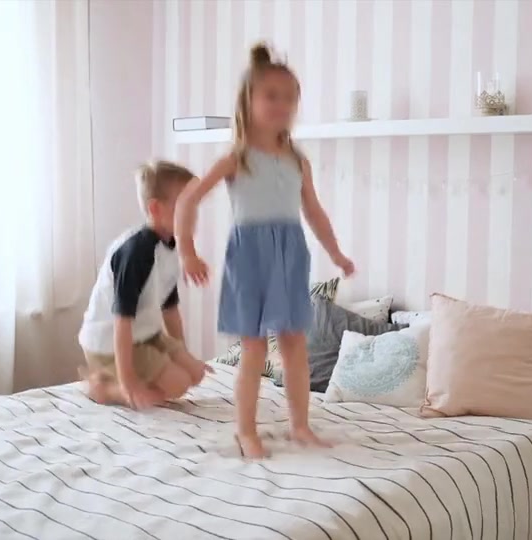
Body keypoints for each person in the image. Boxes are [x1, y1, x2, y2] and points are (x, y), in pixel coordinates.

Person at [175, 43, 354, 459]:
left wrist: (337, 254)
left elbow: (314, 212)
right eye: (271, 96)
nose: (282, 105)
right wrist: (187, 251)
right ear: (248, 101)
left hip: (290, 253)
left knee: (294, 344)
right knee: (254, 348)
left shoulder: (297, 160)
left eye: (290, 98)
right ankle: (245, 431)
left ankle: (300, 426)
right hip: (249, 256)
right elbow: (187, 200)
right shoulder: (237, 158)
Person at [78, 160, 211, 409]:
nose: (193, 214)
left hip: (145, 333)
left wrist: (181, 353)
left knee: (195, 374)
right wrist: (128, 383)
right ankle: (105, 388)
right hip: (109, 342)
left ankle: (131, 379)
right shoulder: (136, 252)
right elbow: (122, 321)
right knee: (179, 384)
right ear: (156, 209)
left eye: (194, 205)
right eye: (185, 206)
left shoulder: (171, 246)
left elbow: (169, 308)